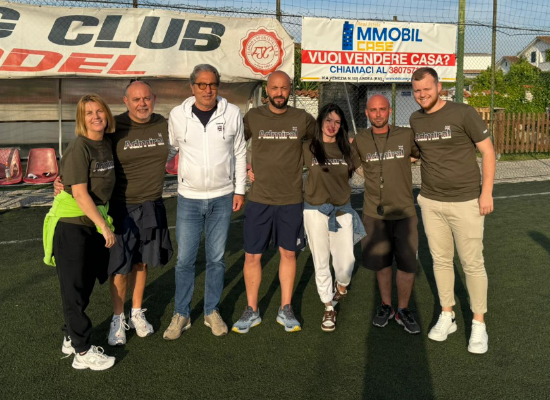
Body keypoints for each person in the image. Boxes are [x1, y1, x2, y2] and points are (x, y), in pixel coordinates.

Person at [55, 81, 174, 346]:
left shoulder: (165, 124)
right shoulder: (113, 127)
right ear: (125, 101)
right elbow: (86, 157)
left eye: (146, 98)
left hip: (152, 204)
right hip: (121, 206)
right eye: (136, 99)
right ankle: (118, 318)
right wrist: (61, 180)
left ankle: (136, 312)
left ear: (154, 98)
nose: (142, 103)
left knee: (142, 263)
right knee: (121, 267)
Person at [410, 67, 495, 354]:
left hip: (466, 202)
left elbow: (488, 152)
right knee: (441, 260)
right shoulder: (415, 119)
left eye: (427, 89)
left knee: (472, 263)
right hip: (431, 202)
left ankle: (479, 323)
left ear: (439, 87)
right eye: (417, 91)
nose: (422, 95)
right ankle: (448, 315)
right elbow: (418, 153)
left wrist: (486, 193)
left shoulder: (463, 112)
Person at [163, 64, 246, 339]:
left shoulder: (232, 113)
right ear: (192, 87)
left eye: (212, 84)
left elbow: (240, 152)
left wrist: (239, 190)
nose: (207, 90)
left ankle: (211, 311)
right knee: (184, 260)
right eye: (202, 84)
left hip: (222, 196)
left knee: (216, 259)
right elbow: (170, 150)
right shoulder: (177, 115)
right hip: (189, 198)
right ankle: (182, 314)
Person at [232, 70, 316, 334]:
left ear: (290, 89)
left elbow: (323, 141)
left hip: (291, 199)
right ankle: (252, 310)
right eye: (275, 88)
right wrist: (245, 167)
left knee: (288, 253)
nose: (279, 93)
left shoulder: (302, 118)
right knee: (252, 256)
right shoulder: (253, 117)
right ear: (267, 90)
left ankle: (285, 308)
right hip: (260, 199)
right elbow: (235, 145)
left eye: (284, 88)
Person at [43, 94, 117, 370]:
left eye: (100, 111)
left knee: (85, 285)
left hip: (91, 221)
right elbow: (80, 194)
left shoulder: (106, 142)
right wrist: (103, 226)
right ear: (81, 119)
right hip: (72, 224)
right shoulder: (78, 147)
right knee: (73, 290)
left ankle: (70, 335)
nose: (96, 116)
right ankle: (82, 352)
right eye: (89, 113)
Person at [352, 94, 422, 334]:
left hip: (404, 212)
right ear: (367, 113)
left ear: (390, 111)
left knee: (407, 264)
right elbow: (350, 164)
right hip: (374, 212)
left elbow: (419, 154)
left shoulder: (405, 135)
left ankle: (403, 309)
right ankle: (386, 306)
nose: (378, 114)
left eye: (382, 109)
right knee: (382, 264)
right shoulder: (360, 139)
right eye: (373, 110)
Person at [302, 103, 365, 332]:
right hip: (314, 211)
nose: (332, 125)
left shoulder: (347, 149)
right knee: (321, 260)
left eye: (337, 122)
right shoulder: (308, 147)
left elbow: (364, 172)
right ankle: (328, 306)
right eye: (328, 120)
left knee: (346, 262)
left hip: (341, 210)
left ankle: (342, 285)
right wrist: (254, 169)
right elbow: (286, 166)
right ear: (320, 121)